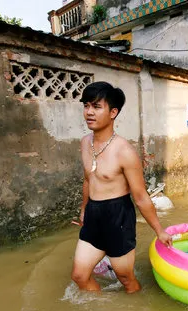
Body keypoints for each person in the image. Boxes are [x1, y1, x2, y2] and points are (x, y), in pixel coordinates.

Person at [72, 81, 172, 294]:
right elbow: (88, 180)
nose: (89, 112)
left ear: (113, 112)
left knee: (126, 278)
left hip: (118, 217)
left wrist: (159, 231)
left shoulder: (124, 151)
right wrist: (83, 209)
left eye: (96, 107)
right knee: (79, 276)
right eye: (86, 105)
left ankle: (135, 310)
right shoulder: (84, 143)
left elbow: (141, 197)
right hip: (93, 215)